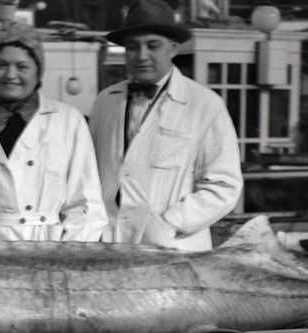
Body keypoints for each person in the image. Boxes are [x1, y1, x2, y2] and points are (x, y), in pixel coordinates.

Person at [0, 21, 107, 243]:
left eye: (22, 67)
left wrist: (70, 258)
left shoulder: (68, 120)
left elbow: (85, 205)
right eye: (2, 65)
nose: (10, 75)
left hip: (47, 248)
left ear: (39, 72)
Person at [89, 0, 243, 250]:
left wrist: (170, 223)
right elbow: (92, 175)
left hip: (173, 247)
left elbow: (224, 186)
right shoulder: (105, 102)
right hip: (111, 244)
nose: (142, 56)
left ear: (173, 49)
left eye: (153, 46)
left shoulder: (204, 105)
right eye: (132, 47)